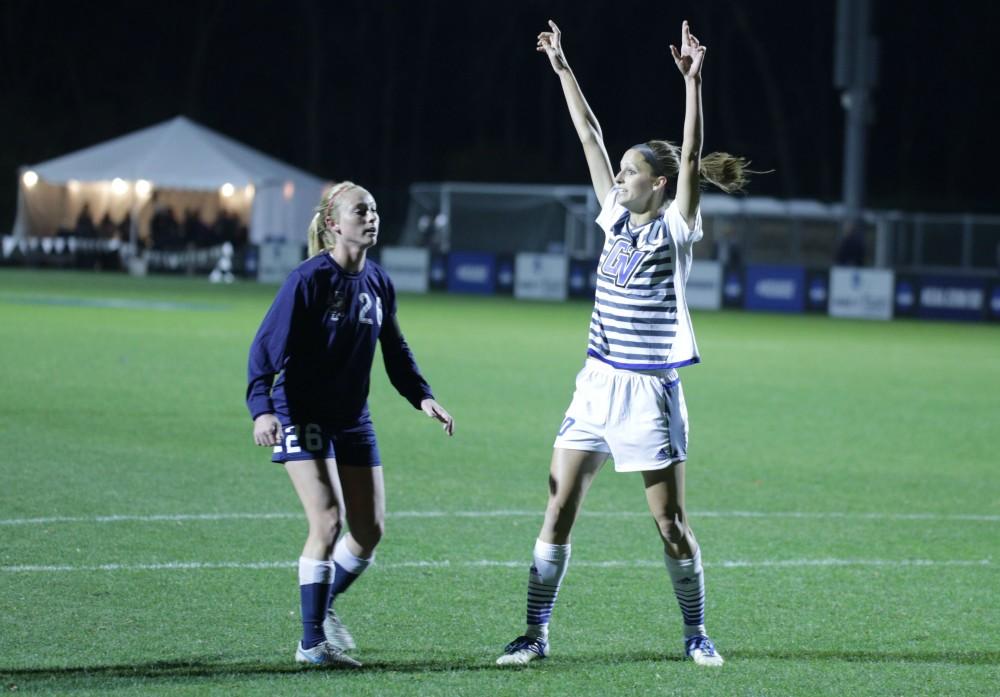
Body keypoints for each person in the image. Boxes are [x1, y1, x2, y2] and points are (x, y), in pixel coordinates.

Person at [496, 20, 751, 668]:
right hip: (596, 383)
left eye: (632, 172)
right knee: (557, 505)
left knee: (670, 527)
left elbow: (690, 157)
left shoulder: (675, 227)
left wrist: (694, 84)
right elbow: (590, 133)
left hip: (648, 392)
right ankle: (534, 631)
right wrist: (561, 66)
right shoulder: (613, 215)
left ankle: (696, 631)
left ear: (658, 185)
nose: (620, 176)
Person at [247, 181, 455, 668]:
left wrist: (422, 397)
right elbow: (264, 348)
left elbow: (395, 351)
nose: (371, 217)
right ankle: (310, 643)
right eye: (360, 211)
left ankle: (324, 607)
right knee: (327, 521)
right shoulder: (309, 280)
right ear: (333, 224)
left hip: (353, 418)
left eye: (375, 210)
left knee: (368, 531)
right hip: (302, 410)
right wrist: (262, 408)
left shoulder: (379, 281)